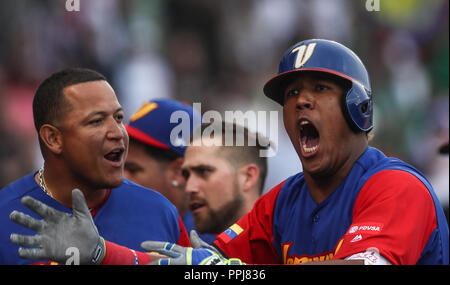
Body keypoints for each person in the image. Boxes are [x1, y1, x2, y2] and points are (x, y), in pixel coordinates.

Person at [10, 39, 449, 265]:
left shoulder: (395, 188)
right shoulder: (282, 204)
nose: (301, 101)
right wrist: (107, 254)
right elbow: (204, 267)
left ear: (359, 109)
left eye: (320, 89)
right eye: (292, 93)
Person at [3, 68, 190, 265]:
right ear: (53, 138)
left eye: (118, 118)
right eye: (96, 121)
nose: (118, 132)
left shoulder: (159, 211)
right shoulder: (4, 215)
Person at [123, 98, 215, 243]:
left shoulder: (212, 246)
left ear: (178, 172)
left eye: (133, 170)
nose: (120, 178)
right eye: (119, 165)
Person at [182, 121, 268, 236]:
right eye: (186, 175)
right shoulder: (194, 249)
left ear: (248, 177)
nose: (189, 188)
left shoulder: (287, 248)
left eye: (203, 171)